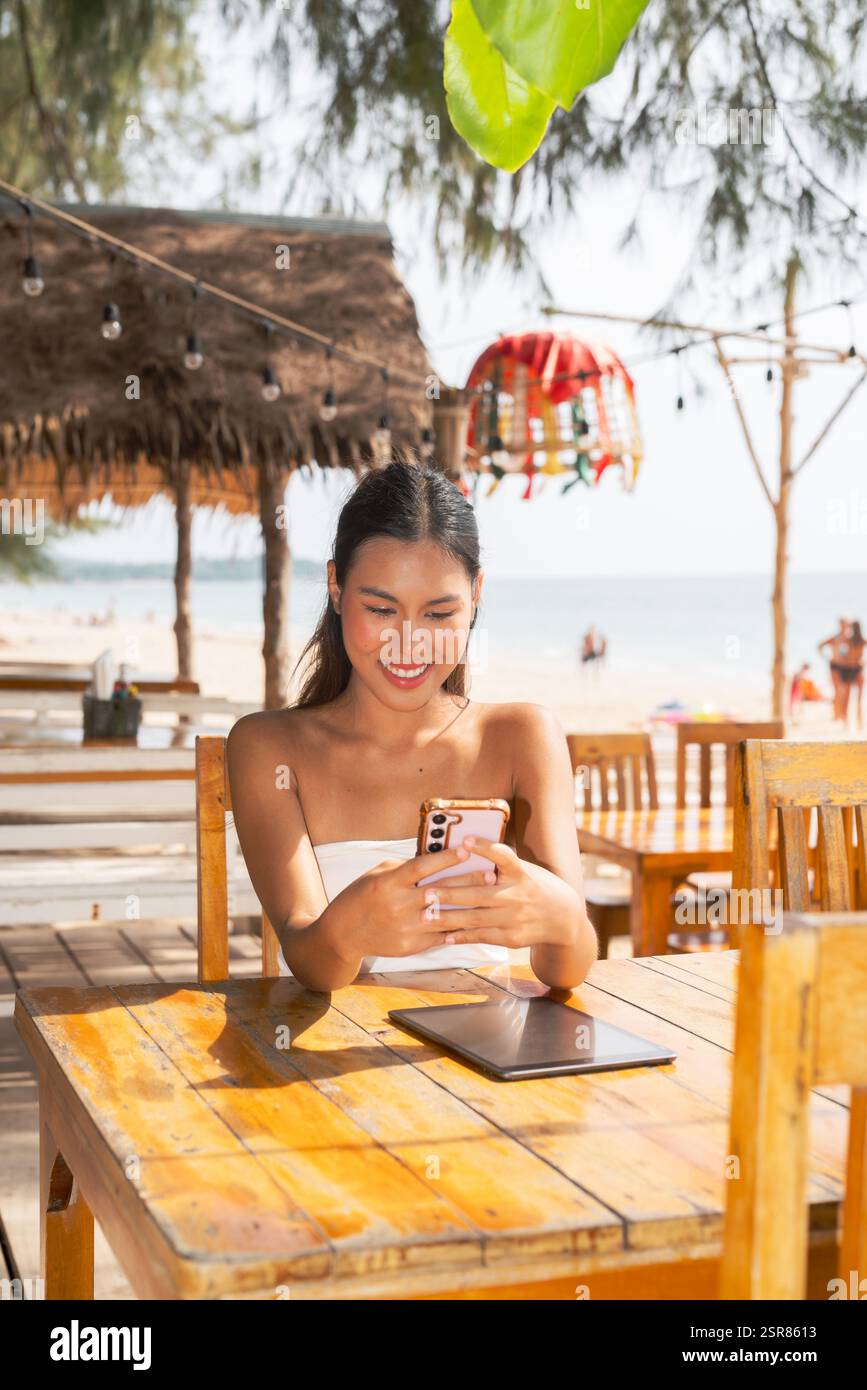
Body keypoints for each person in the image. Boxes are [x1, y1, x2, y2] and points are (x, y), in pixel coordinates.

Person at [228, 459, 597, 993]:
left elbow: (566, 970)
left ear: (475, 596)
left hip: (481, 1056)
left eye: (439, 615)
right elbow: (310, 964)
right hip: (325, 1059)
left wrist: (562, 917)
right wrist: (352, 928)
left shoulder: (522, 737)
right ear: (335, 587)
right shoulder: (268, 747)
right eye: (381, 609)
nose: (410, 642)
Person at [818, 617, 851, 721]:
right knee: (838, 690)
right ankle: (836, 715)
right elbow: (820, 645)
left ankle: (844, 714)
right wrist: (827, 657)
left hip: (847, 667)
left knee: (846, 692)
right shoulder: (835, 638)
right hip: (836, 665)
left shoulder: (851, 638)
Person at [834, 620, 865, 729]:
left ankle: (846, 722)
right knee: (859, 699)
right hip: (858, 669)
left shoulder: (848, 641)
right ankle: (859, 723)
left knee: (846, 698)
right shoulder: (862, 640)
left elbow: (842, 654)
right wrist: (861, 660)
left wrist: (845, 661)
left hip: (848, 670)